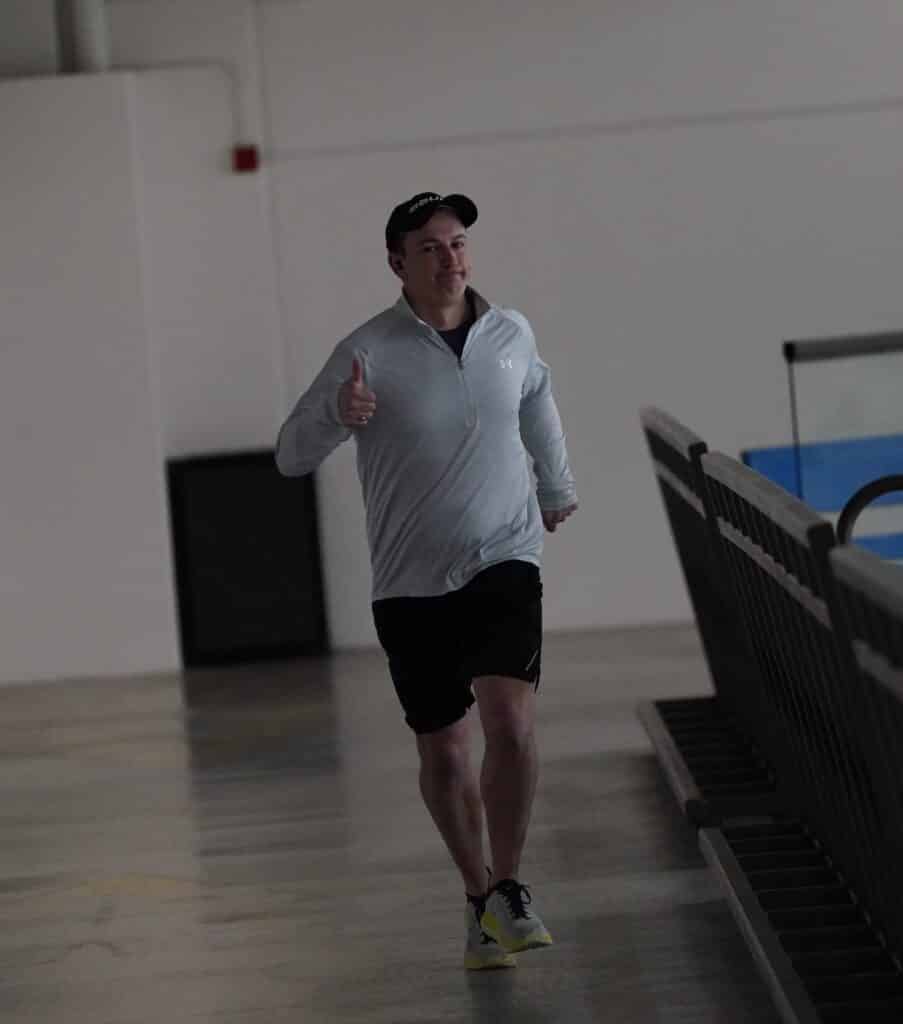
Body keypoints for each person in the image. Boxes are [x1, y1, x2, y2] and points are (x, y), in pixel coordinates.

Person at [275, 191, 578, 970]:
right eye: (431, 248)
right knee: (445, 750)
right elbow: (290, 455)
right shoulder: (366, 351)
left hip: (504, 555)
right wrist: (338, 413)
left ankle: (510, 885)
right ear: (396, 263)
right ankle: (478, 897)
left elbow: (535, 397)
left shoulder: (510, 332)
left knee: (510, 725)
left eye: (458, 242)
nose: (451, 258)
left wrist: (554, 485)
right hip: (410, 578)